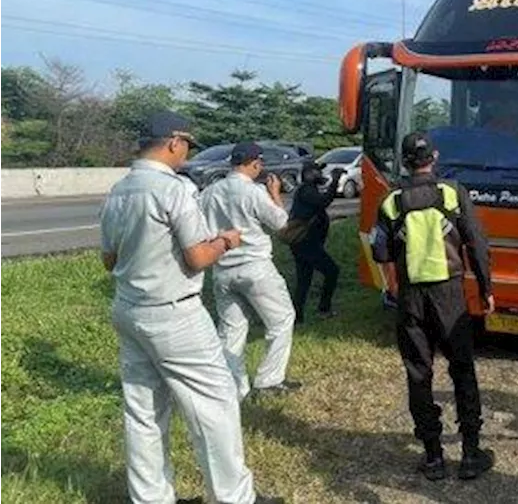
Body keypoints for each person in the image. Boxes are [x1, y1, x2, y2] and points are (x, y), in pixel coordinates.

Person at [99, 111, 282, 504]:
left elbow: (109, 260)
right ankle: (234, 498)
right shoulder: (175, 188)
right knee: (214, 405)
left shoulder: (119, 190)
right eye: (186, 146)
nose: (186, 154)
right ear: (172, 142)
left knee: (144, 409)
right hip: (175, 312)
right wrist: (227, 241)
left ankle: (151, 498)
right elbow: (198, 256)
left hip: (129, 309)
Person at [373, 131, 497, 481]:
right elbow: (476, 243)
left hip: (411, 298)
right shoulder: (452, 193)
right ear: (435, 157)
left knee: (418, 374)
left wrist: (393, 287)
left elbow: (380, 252)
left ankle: (432, 457)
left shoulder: (391, 201)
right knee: (462, 370)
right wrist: (486, 288)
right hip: (450, 296)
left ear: (404, 161)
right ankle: (471, 453)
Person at [200, 142, 299, 400]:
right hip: (255, 268)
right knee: (281, 319)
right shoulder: (253, 192)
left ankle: (235, 388)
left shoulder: (210, 192)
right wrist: (275, 193)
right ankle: (269, 379)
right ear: (255, 164)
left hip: (222, 269)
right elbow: (280, 223)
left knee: (231, 330)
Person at [288, 160, 341, 323]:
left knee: (304, 280)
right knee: (332, 271)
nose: (321, 175)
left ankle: (298, 318)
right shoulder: (306, 191)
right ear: (308, 174)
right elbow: (324, 201)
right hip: (306, 244)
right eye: (317, 172)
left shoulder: (308, 190)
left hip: (304, 244)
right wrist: (335, 180)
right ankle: (323, 309)